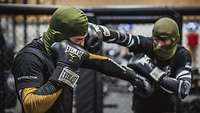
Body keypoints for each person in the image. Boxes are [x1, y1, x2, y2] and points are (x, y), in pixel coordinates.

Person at [12, 6, 152, 113]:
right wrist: (64, 70)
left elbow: (99, 62)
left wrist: (134, 78)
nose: (83, 44)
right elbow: (30, 106)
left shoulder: (68, 48)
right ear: (59, 37)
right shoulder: (29, 57)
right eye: (79, 39)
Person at [90, 17, 192, 113]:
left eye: (163, 40)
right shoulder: (147, 44)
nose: (159, 44)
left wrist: (152, 71)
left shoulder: (181, 54)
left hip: (167, 108)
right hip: (140, 107)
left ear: (174, 40)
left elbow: (183, 89)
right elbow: (125, 38)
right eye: (156, 39)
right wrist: (101, 32)